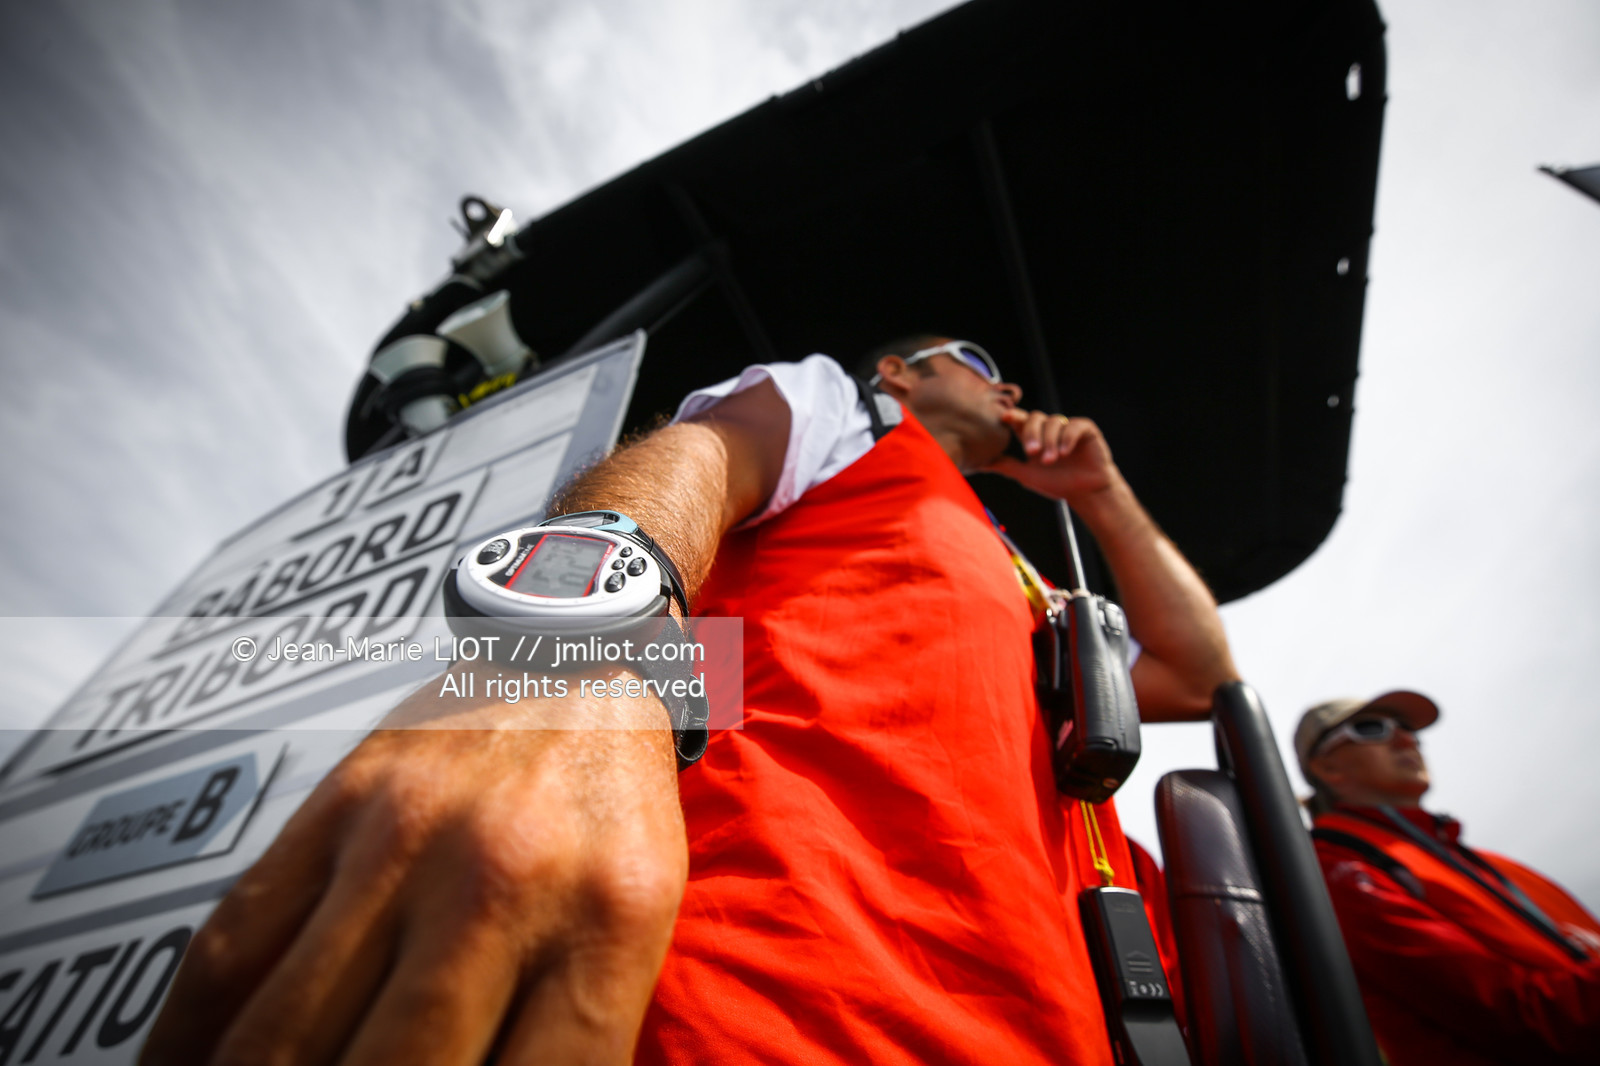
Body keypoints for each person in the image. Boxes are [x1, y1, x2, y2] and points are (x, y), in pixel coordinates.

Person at [142, 336, 1237, 1065]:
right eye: (980, 361)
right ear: (904, 370)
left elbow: (1196, 675)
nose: (1008, 387)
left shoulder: (1027, 584)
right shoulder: (848, 414)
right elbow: (697, 461)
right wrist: (573, 665)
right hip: (754, 1004)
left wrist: (1099, 493)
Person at [1297, 692, 1600, 1065]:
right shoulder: (1335, 871)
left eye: (1408, 730)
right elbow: (1516, 1019)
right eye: (1372, 729)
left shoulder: (1499, 866)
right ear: (1327, 769)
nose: (1406, 739)